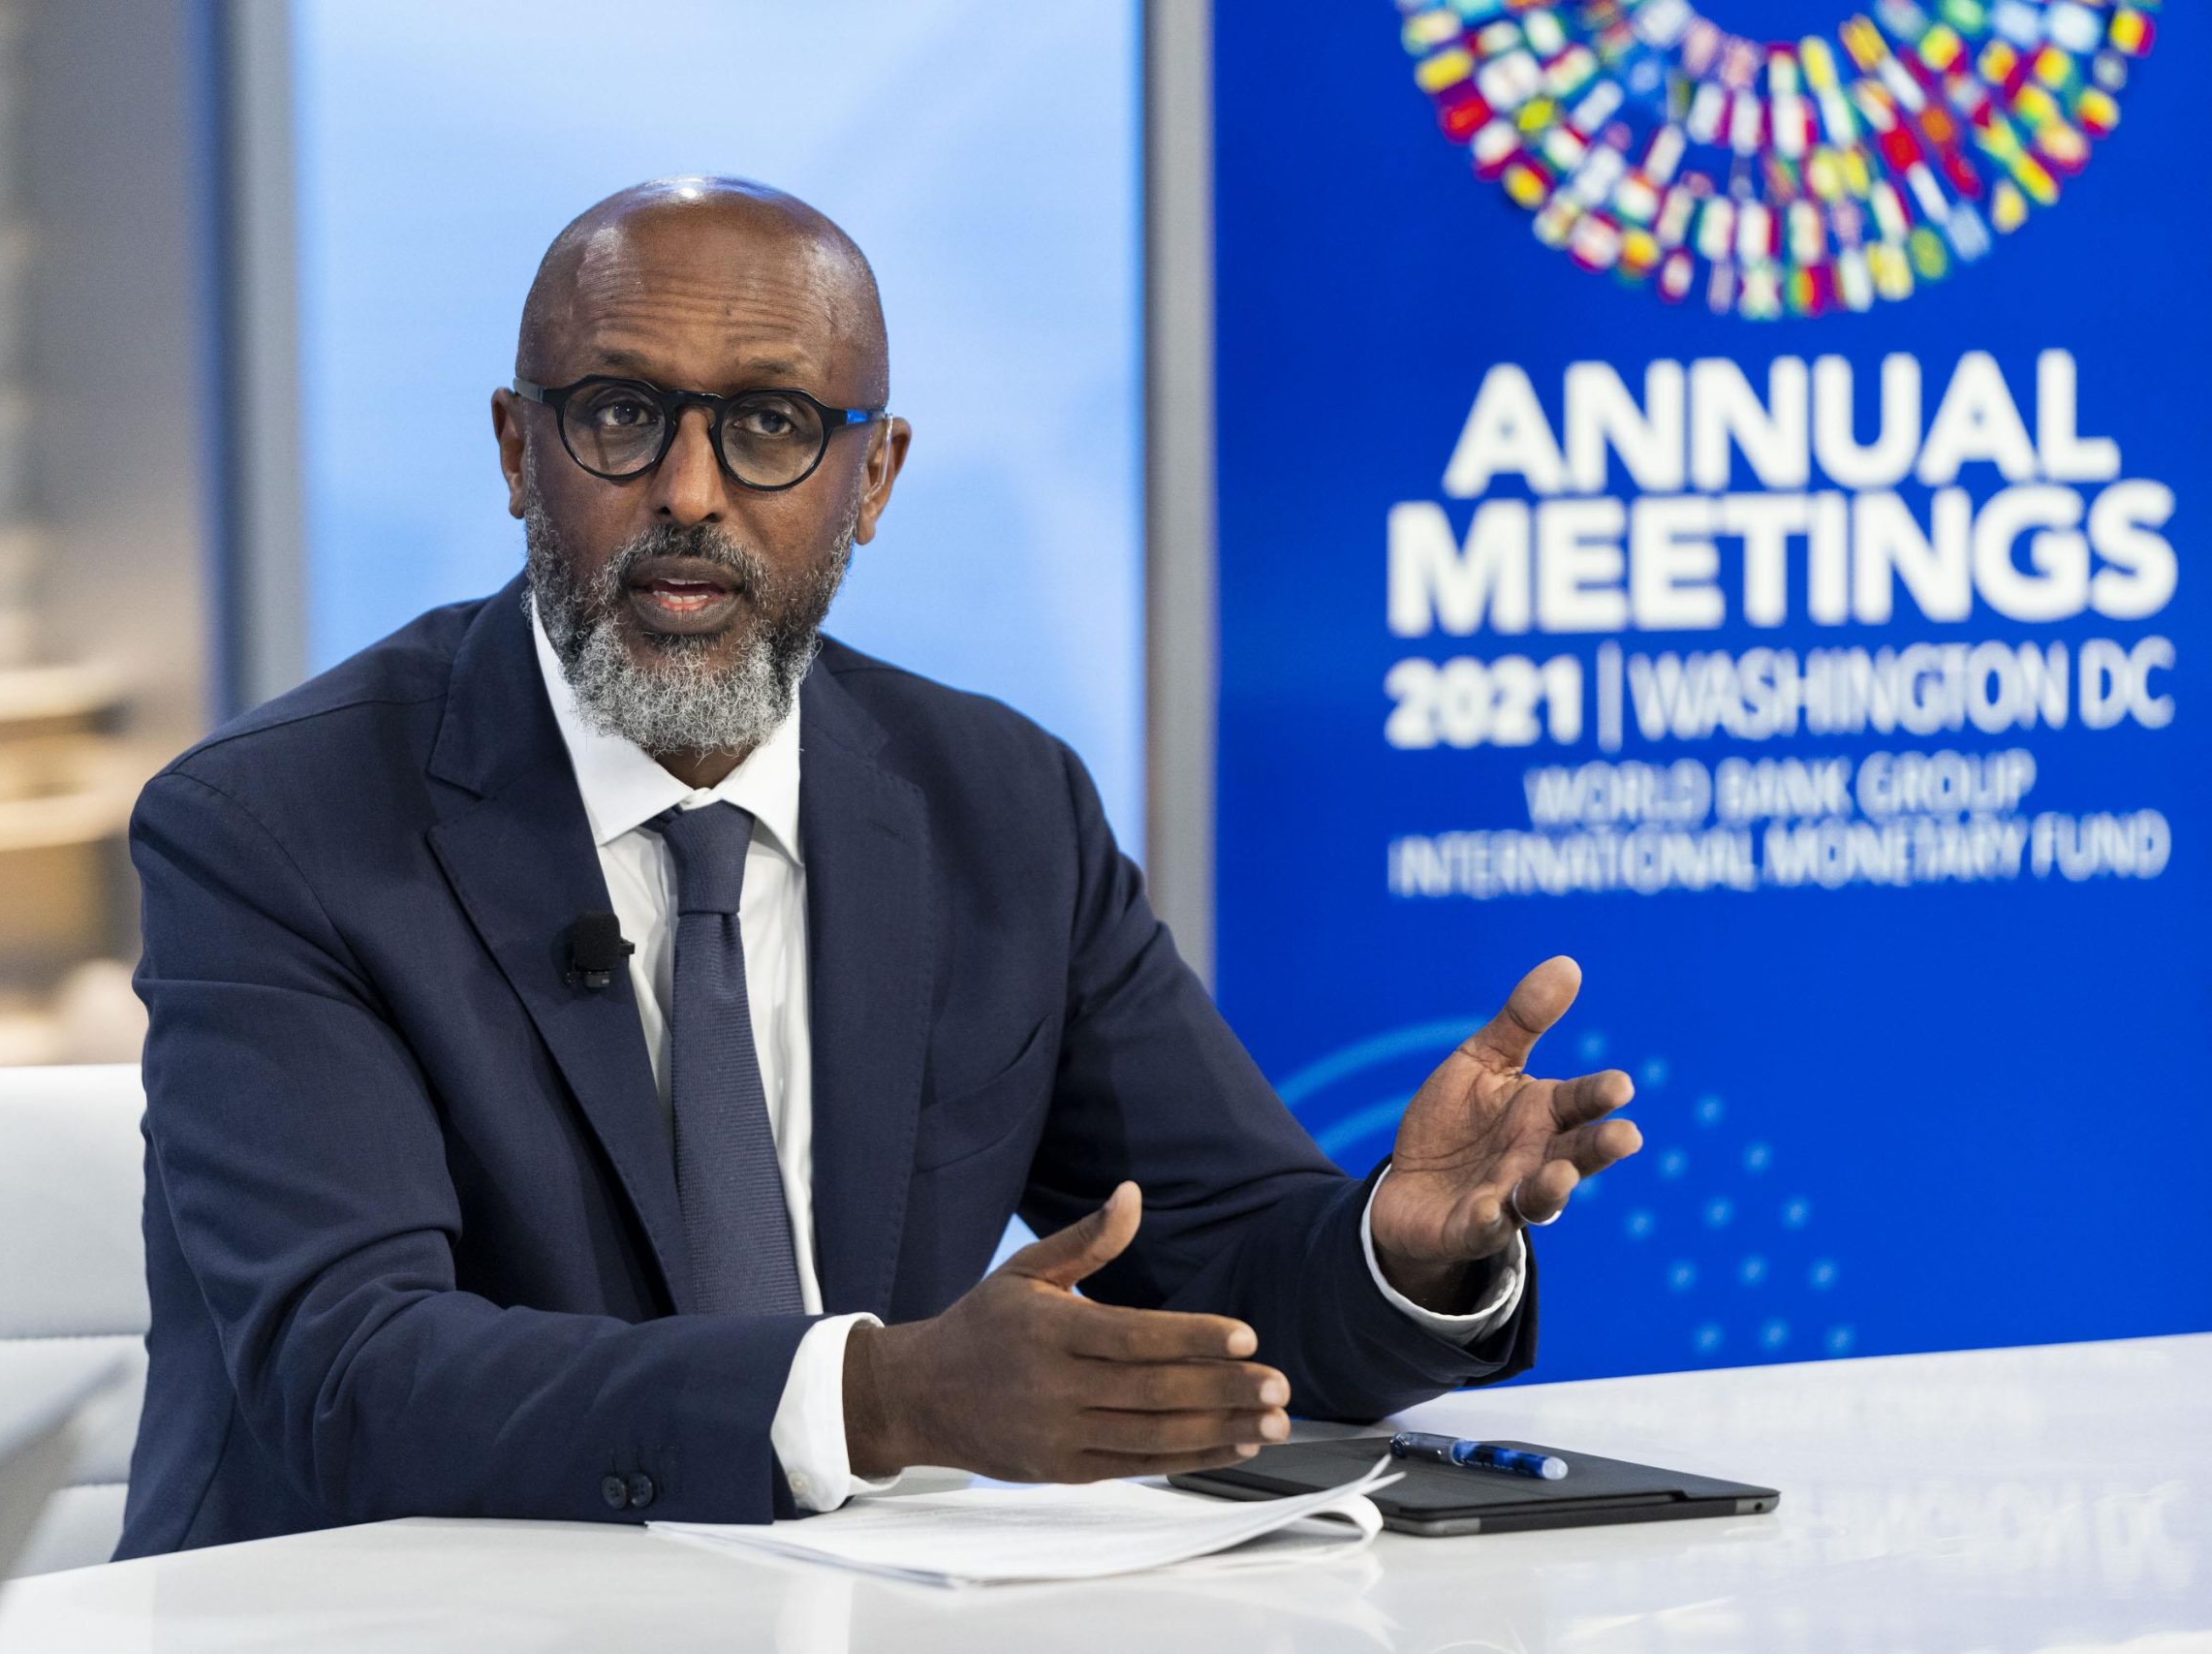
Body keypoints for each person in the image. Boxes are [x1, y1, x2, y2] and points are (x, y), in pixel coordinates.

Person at [114, 177, 1642, 1556]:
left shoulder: (997, 807)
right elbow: (356, 1377)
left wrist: (1401, 1251)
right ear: (520, 451)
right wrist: (881, 1399)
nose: (691, 493)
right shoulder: (279, 829)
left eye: (771, 425)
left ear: (878, 478)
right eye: (620, 415)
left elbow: (1225, 1274)